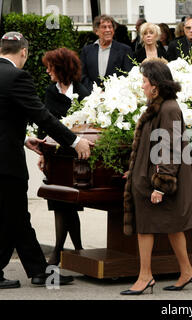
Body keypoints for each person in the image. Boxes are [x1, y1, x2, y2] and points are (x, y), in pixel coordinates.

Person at [0, 32, 93, 289]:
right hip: (6, 164)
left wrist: (23, 139)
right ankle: (40, 272)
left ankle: (40, 272)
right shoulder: (17, 77)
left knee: (13, 218)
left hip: (6, 156)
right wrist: (75, 141)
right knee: (15, 216)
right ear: (24, 52)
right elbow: (43, 116)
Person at [120, 59, 192, 295]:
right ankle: (187, 272)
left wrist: (161, 184)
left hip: (160, 178)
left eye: (144, 81)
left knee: (146, 226)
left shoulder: (169, 108)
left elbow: (171, 147)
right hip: (151, 175)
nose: (141, 85)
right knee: (171, 226)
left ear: (154, 84)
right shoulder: (159, 106)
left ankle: (145, 277)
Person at [37, 48, 90, 266]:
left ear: (61, 68)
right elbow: (44, 122)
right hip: (56, 156)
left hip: (74, 156)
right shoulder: (50, 91)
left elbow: (87, 124)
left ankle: (64, 251)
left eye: (51, 68)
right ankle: (70, 251)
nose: (48, 72)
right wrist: (43, 152)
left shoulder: (83, 92)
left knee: (69, 203)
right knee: (59, 202)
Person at [80, 15, 134, 92]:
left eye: (110, 27)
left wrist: (111, 91)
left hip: (116, 95)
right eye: (104, 27)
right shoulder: (87, 51)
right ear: (96, 31)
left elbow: (127, 75)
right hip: (92, 96)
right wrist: (95, 91)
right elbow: (82, 75)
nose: (108, 30)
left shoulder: (124, 50)